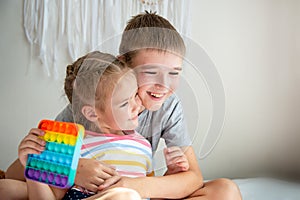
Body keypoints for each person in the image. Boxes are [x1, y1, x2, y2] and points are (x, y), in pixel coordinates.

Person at [5, 12, 241, 199]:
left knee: (225, 191)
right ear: (123, 64)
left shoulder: (169, 107)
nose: (163, 85)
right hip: (87, 192)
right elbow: (18, 171)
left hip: (132, 190)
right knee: (7, 188)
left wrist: (135, 186)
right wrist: (75, 170)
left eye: (174, 73)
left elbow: (193, 178)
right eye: (150, 72)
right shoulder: (93, 104)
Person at [13, 51, 189, 200]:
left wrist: (171, 173)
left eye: (135, 94)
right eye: (124, 104)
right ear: (92, 114)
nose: (137, 105)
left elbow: (150, 193)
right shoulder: (77, 147)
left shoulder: (143, 146)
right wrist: (34, 169)